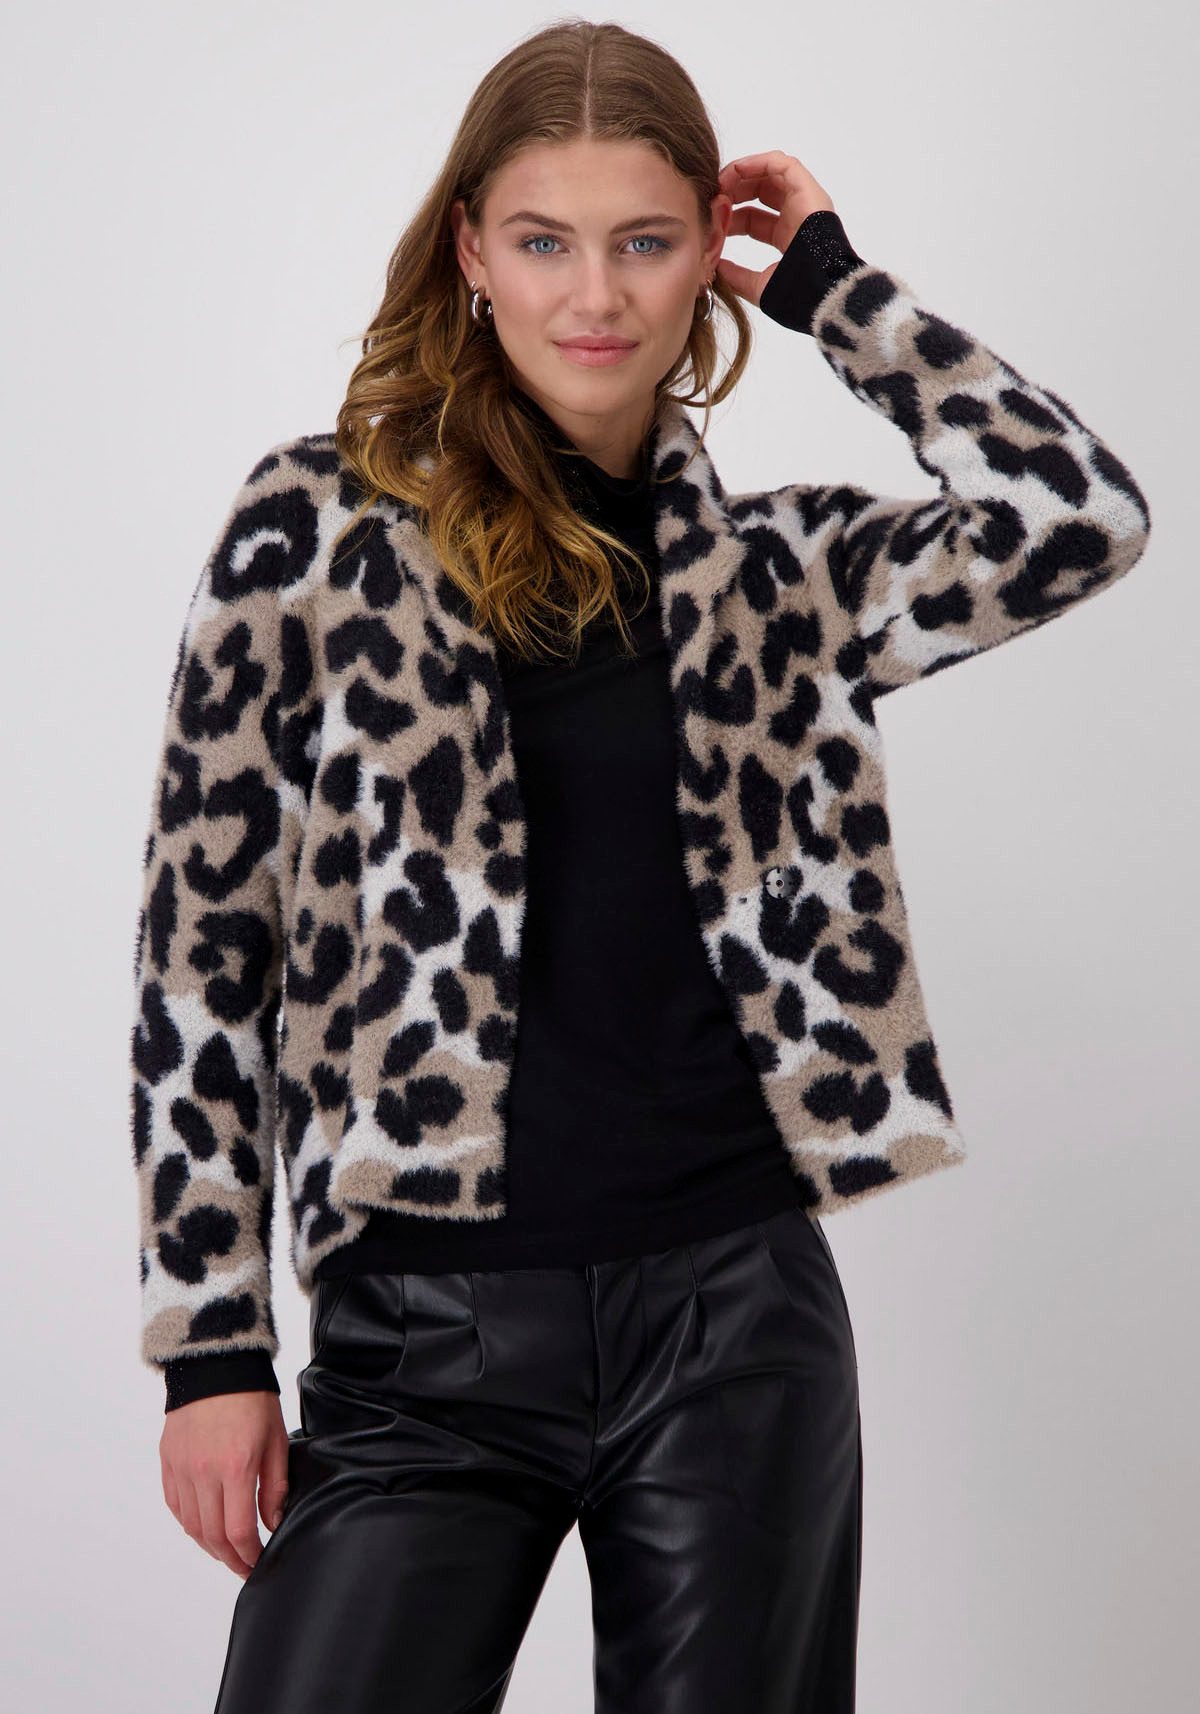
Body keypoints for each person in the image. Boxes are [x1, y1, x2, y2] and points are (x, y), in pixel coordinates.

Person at [128, 20, 1151, 1714]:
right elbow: (200, 956)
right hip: (421, 1339)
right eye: (545, 241)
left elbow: (1079, 515)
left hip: (736, 1328)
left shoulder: (784, 578)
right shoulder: (307, 535)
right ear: (470, 251)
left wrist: (836, 289)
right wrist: (211, 1349)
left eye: (646, 241)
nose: (594, 295)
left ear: (704, 259)